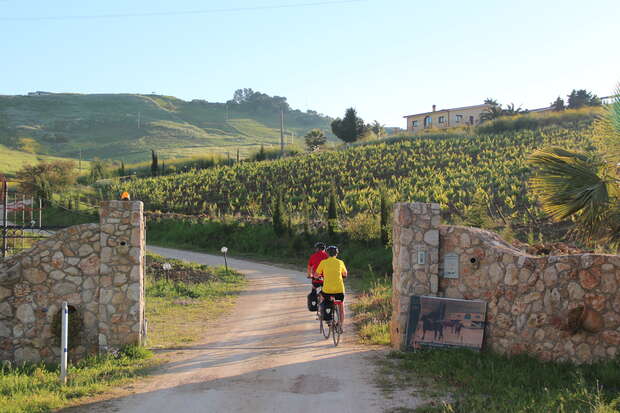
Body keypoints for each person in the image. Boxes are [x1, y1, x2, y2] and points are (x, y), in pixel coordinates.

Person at [315, 245, 347, 331]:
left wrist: (318, 277)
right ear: (337, 254)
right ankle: (340, 326)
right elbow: (345, 274)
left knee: (321, 296)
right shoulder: (340, 262)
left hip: (327, 292)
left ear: (327, 254)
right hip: (339, 291)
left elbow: (316, 275)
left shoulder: (323, 262)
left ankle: (323, 314)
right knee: (341, 308)